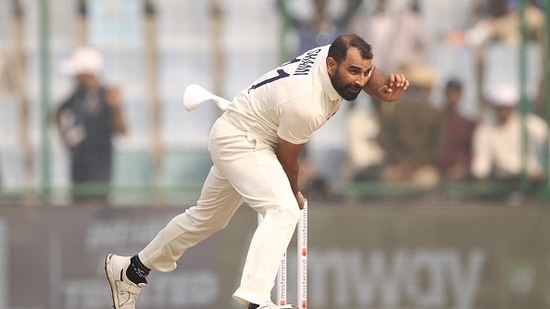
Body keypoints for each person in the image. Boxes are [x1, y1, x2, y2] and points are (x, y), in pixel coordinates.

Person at [104, 34, 409, 309]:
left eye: (365, 71)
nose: (360, 79)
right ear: (331, 65)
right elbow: (287, 158)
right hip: (242, 141)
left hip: (244, 133)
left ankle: (131, 270)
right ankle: (256, 300)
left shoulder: (330, 58)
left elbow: (367, 75)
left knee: (207, 218)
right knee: (284, 209)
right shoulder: (306, 102)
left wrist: (384, 90)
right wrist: (294, 192)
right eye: (353, 72)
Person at [55, 47, 128, 205]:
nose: (74, 77)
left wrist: (116, 108)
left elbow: (122, 130)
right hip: (79, 166)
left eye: (77, 73)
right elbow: (58, 111)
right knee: (77, 205)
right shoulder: (78, 94)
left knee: (96, 206)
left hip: (99, 167)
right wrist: (64, 136)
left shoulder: (107, 95)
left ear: (88, 73)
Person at [377, 65, 445, 188]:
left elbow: (384, 141)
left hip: (397, 168)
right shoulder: (435, 113)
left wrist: (403, 164)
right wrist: (415, 164)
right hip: (423, 169)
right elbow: (438, 148)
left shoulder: (393, 110)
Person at [471, 84, 548, 192]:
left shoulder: (527, 123)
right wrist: (481, 176)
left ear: (512, 107)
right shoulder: (485, 130)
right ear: (494, 108)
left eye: (506, 107)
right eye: (500, 107)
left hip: (530, 178)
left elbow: (545, 134)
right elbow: (482, 157)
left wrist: (543, 169)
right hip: (503, 181)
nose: (503, 111)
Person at [438, 78, 476, 182]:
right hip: (439, 170)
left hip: (463, 171)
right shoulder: (435, 120)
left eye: (456, 93)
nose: (453, 96)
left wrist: (463, 167)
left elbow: (472, 151)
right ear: (445, 94)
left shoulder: (468, 123)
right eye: (450, 92)